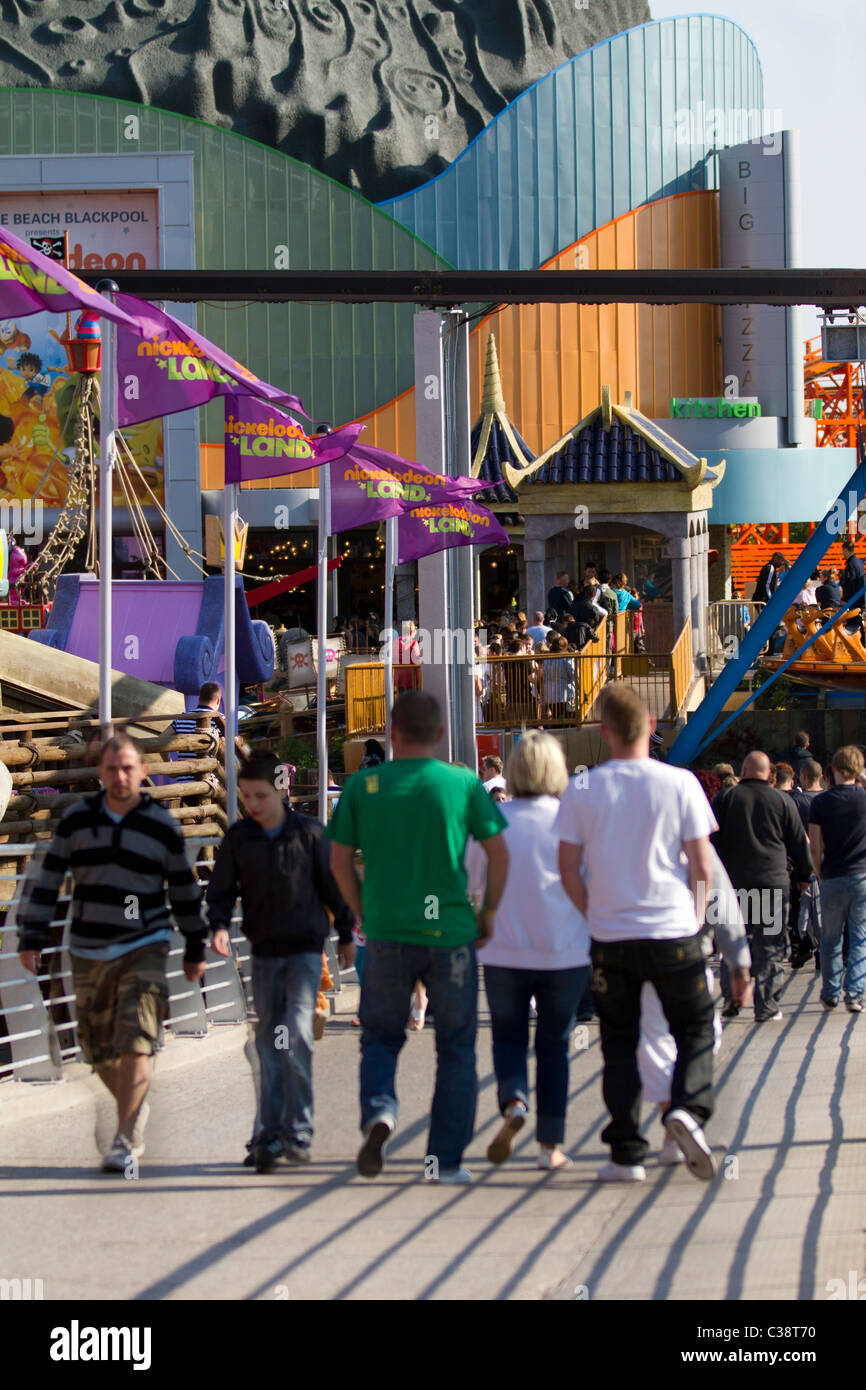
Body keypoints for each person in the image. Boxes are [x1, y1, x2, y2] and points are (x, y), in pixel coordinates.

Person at [328, 690, 509, 1185]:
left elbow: (339, 862)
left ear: (391, 731)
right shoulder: (463, 784)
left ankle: (381, 1110)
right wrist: (488, 911)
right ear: (442, 735)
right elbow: (500, 852)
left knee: (381, 1037)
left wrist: (363, 911)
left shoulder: (363, 786)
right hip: (450, 935)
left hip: (387, 935)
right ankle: (443, 1162)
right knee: (455, 1048)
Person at [17, 735, 207, 1173]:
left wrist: (195, 944)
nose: (120, 777)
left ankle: (126, 1136)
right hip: (87, 946)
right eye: (111, 769)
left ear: (143, 770)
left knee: (137, 1040)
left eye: (128, 768)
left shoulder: (162, 824)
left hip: (145, 944)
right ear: (99, 773)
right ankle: (131, 1107)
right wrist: (32, 938)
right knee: (97, 1051)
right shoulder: (76, 821)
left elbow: (183, 889)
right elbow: (49, 880)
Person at [557, 684, 719, 1183]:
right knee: (693, 1028)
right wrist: (693, 918)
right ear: (652, 727)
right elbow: (701, 866)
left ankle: (626, 1153)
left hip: (611, 935)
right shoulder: (681, 784)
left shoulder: (583, 789)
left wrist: (592, 915)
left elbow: (566, 869)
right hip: (673, 929)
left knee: (620, 1042)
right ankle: (688, 1110)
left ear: (603, 732)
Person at [205, 752, 356, 1171]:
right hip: (265, 956)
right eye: (247, 796)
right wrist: (218, 925)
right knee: (270, 1044)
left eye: (260, 796)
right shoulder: (238, 838)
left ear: (281, 790)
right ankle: (269, 1132)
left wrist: (345, 934)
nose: (252, 804)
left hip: (305, 953)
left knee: (297, 1038)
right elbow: (220, 891)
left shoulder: (310, 834)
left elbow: (333, 887)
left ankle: (299, 1129)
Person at [465, 733, 589, 1171]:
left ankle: (514, 1098)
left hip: (502, 951)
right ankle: (549, 1147)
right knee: (554, 1044)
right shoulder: (573, 822)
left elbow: (470, 885)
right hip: (565, 952)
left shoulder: (491, 821)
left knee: (508, 1035)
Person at [637, 845, 751, 1165]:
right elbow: (716, 888)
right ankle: (684, 1112)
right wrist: (739, 962)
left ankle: (669, 1129)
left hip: (625, 949)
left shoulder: (605, 815)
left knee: (654, 1041)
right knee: (702, 1032)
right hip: (683, 946)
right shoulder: (685, 819)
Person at [712, 751, 813, 1021]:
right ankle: (766, 1004)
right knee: (769, 944)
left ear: (742, 771)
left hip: (732, 887)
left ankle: (733, 996)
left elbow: (711, 843)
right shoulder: (781, 800)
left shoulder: (725, 799)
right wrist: (804, 875)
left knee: (733, 941)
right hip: (771, 885)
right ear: (769, 775)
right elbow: (798, 843)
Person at [808, 746, 866, 1012]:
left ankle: (830, 992)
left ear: (834, 769)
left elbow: (815, 846)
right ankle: (854, 993)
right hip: (862, 876)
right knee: (860, 937)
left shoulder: (821, 803)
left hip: (832, 875)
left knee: (831, 938)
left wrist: (820, 873)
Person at [790, 759, 825, 970]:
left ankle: (804, 941)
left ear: (802, 777)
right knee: (822, 908)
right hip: (828, 859)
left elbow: (794, 833)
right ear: (820, 777)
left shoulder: (796, 802)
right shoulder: (829, 798)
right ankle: (823, 949)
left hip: (803, 859)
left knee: (805, 906)